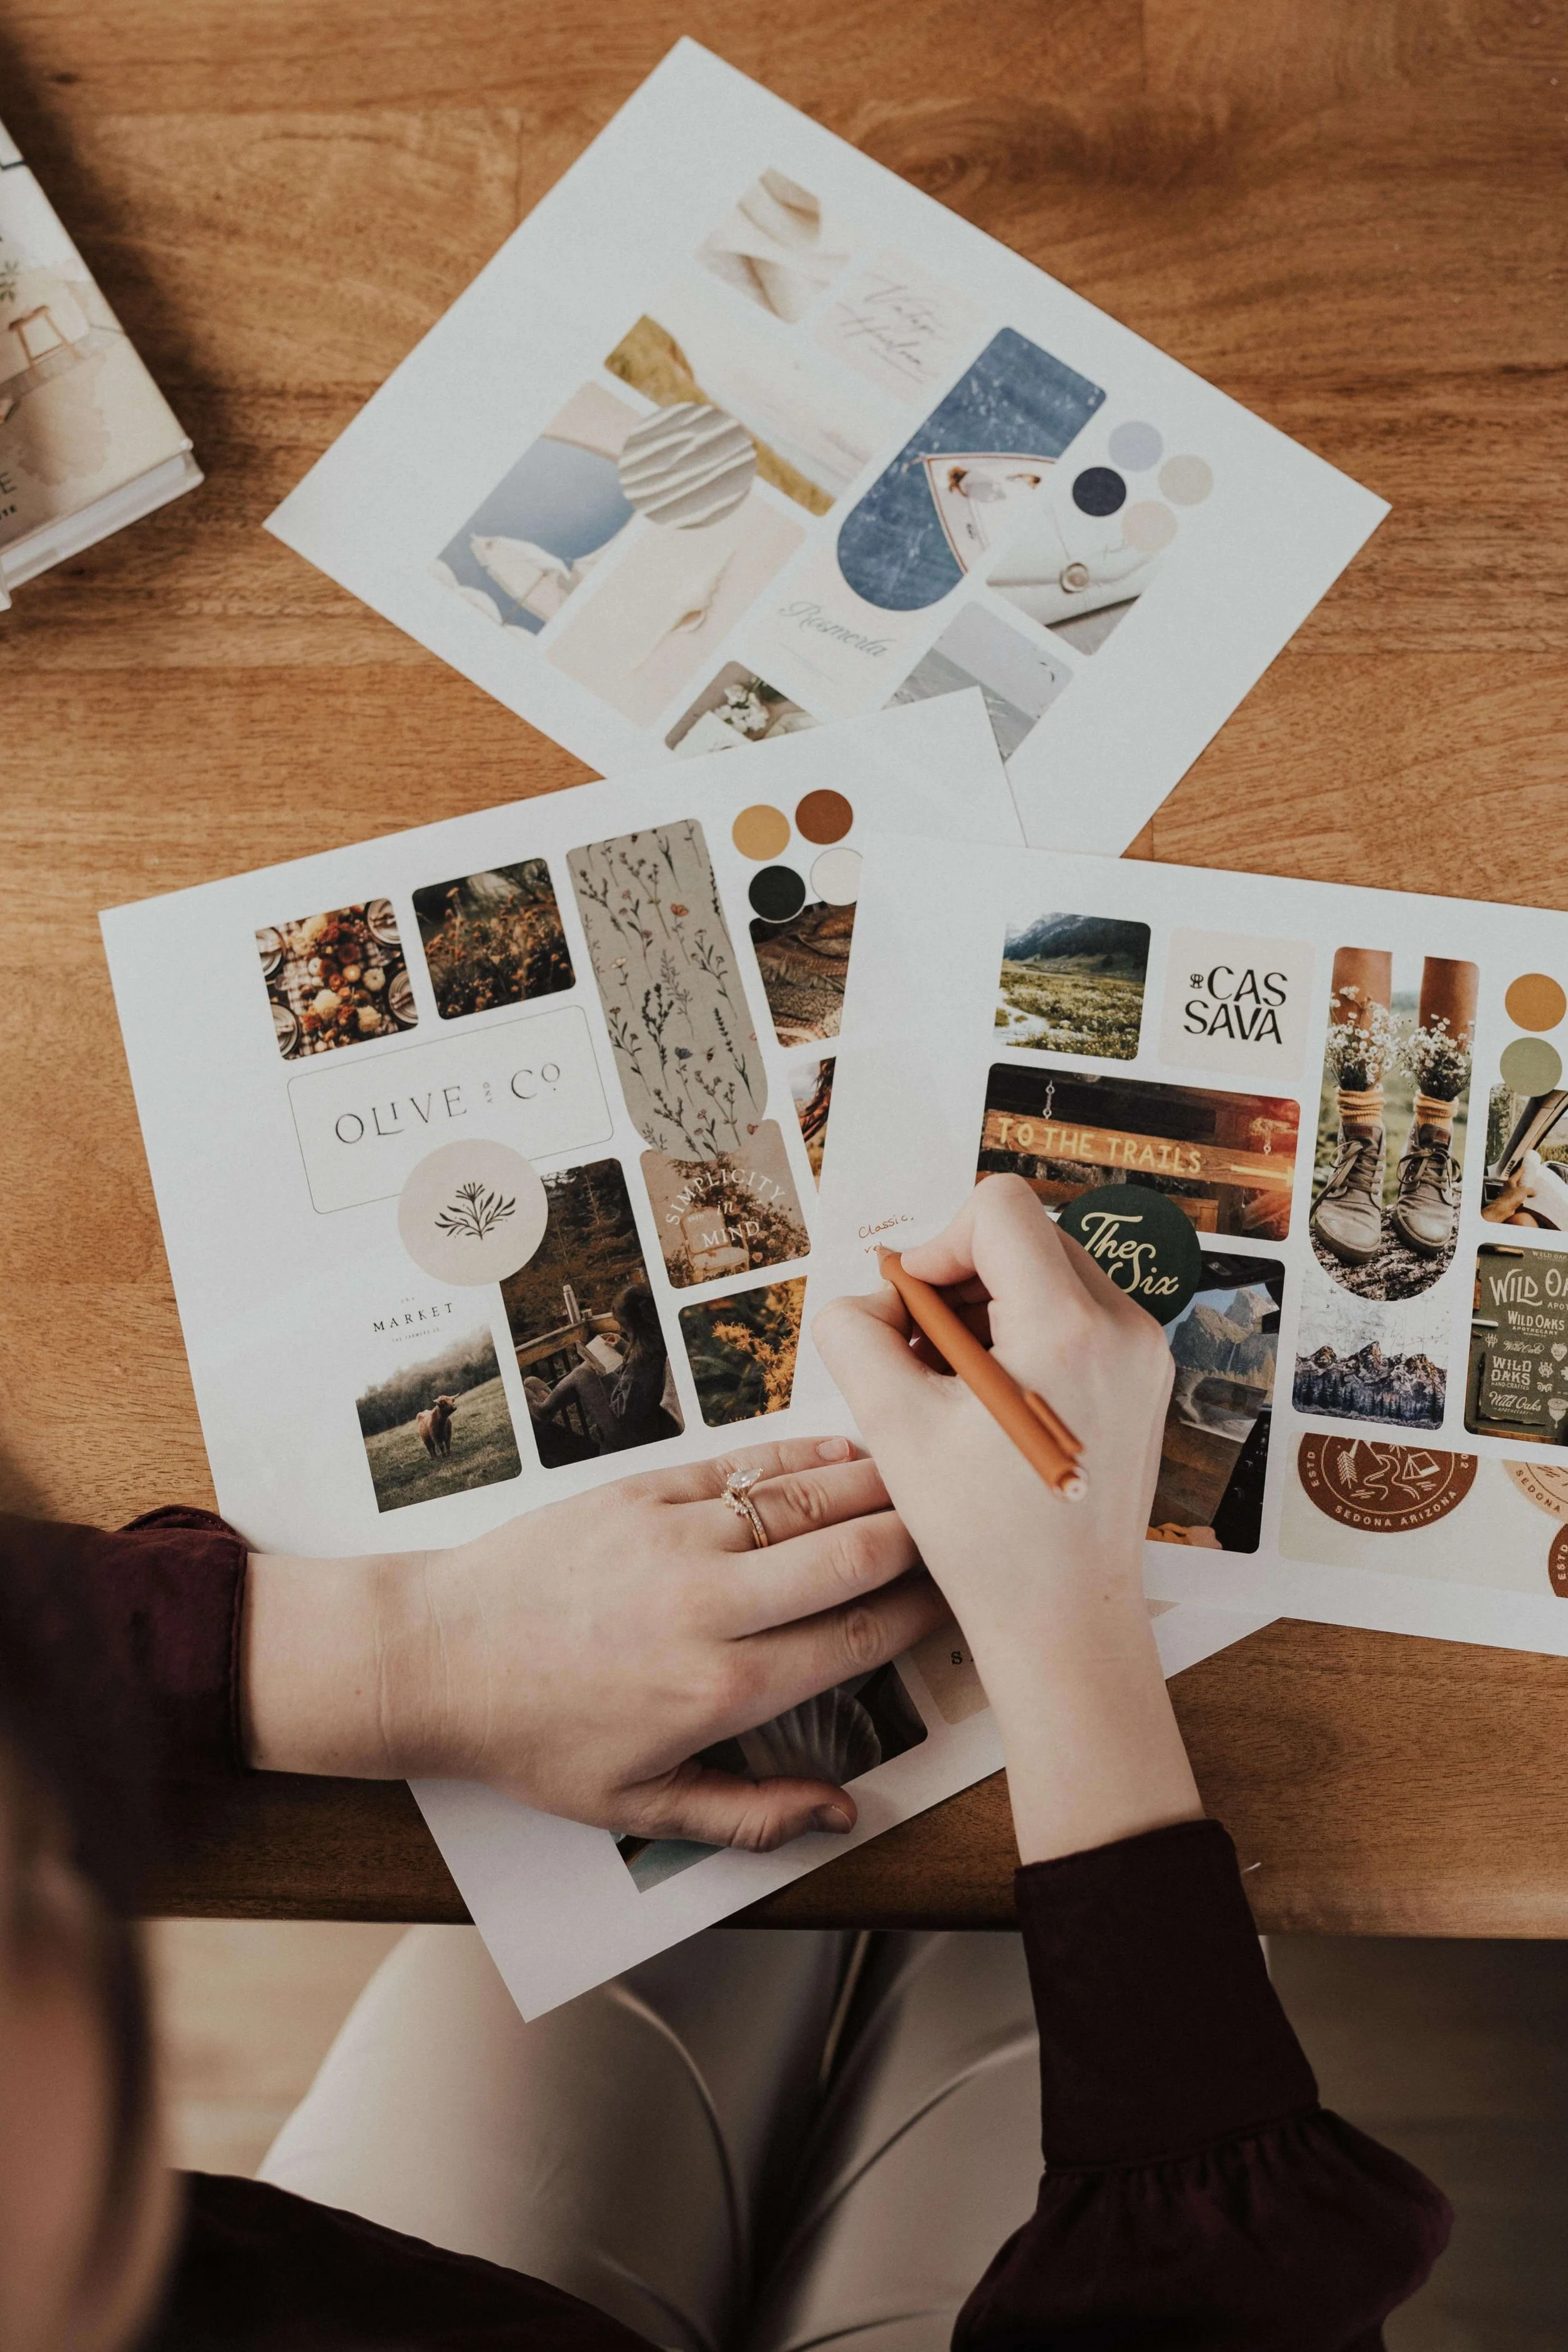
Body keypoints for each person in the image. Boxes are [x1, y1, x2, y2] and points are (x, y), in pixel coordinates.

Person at [0, 1177, 1451, 2350]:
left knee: (780, 1824)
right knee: (991, 1941)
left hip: (358, 2280)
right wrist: (1066, 1641)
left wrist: (398, 1643)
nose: (62, 1907)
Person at [532, 1283, 681, 1455]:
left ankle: (544, 1411)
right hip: (648, 1423)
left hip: (633, 1436)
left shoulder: (640, 1362)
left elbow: (624, 1411)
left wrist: (604, 1376)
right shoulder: (658, 1344)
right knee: (586, 1371)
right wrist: (621, 1346)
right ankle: (549, 1403)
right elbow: (642, 1385)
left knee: (584, 1373)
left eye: (621, 1324)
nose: (620, 1328)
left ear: (632, 1324)